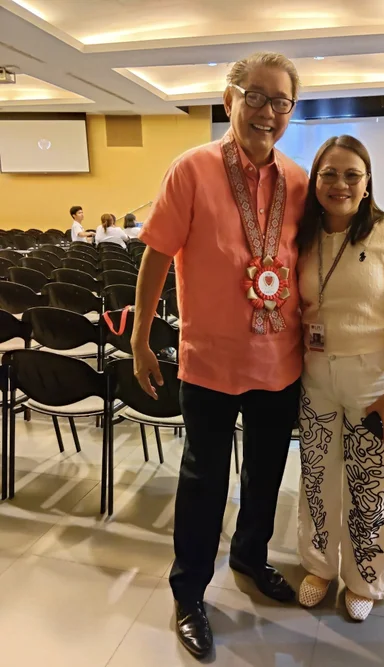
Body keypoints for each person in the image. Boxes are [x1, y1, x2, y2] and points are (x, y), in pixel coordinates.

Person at [131, 51, 308, 660]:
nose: (267, 112)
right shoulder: (192, 169)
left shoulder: (298, 181)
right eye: (255, 97)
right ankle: (189, 593)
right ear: (229, 99)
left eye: (280, 102)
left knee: (265, 474)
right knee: (203, 480)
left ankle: (251, 557)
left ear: (290, 111)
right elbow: (157, 254)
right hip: (209, 363)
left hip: (279, 363)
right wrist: (140, 338)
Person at [296, 135, 384, 621]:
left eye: (352, 175)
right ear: (315, 181)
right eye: (329, 174)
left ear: (368, 183)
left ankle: (365, 578)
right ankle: (319, 566)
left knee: (372, 482)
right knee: (317, 476)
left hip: (373, 379)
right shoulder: (304, 234)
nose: (340, 184)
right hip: (315, 375)